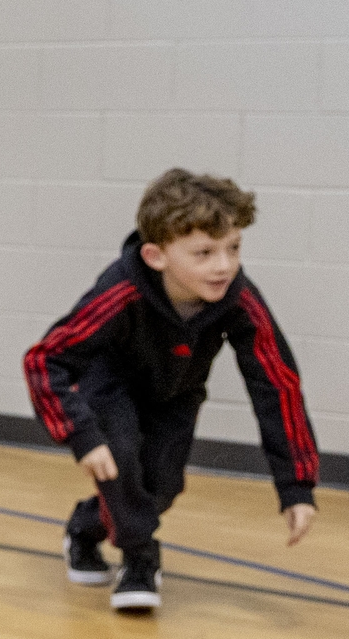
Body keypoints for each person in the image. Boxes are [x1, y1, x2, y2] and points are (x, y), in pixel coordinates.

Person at [24, 169, 318, 614]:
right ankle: (140, 559)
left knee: (162, 486)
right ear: (156, 256)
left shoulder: (238, 299)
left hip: (176, 396)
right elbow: (44, 359)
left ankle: (85, 528)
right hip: (110, 388)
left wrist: (296, 486)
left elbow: (277, 383)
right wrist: (81, 435)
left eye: (233, 248)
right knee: (120, 460)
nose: (224, 265)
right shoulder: (121, 290)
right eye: (204, 252)